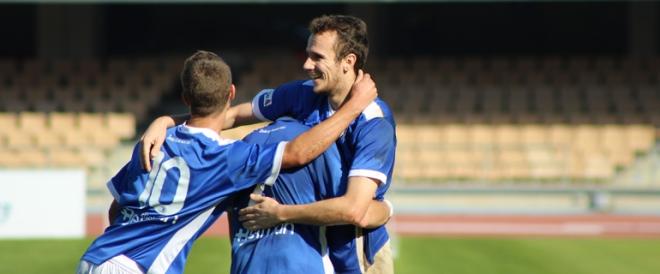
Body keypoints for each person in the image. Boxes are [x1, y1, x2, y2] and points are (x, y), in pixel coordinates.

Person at [77, 50, 377, 274]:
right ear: (231, 93)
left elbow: (117, 208)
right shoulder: (225, 157)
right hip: (138, 266)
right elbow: (298, 153)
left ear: (184, 98)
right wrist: (353, 108)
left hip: (96, 257)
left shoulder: (153, 141)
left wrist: (163, 120)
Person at [141, 15, 396, 274]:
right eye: (307, 54)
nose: (307, 65)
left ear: (348, 61)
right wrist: (166, 121)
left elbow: (355, 209)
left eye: (318, 57)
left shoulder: (374, 122)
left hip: (358, 251)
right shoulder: (302, 94)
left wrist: (282, 214)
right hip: (316, 242)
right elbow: (227, 115)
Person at [227, 117, 391, 274]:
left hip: (246, 265)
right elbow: (351, 211)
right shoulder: (319, 147)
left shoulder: (241, 146)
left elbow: (230, 210)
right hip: (303, 264)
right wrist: (386, 209)